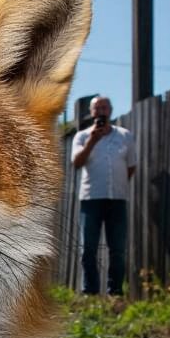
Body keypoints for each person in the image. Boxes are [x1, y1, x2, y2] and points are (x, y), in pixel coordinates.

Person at [70, 95, 137, 296]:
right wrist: (93, 140)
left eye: (104, 107)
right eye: (97, 108)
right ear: (91, 113)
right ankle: (90, 291)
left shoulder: (125, 136)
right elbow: (76, 163)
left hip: (117, 198)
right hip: (91, 198)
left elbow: (131, 166)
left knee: (117, 248)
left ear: (111, 110)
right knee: (88, 248)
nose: (101, 111)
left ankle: (114, 291)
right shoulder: (81, 136)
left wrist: (120, 184)